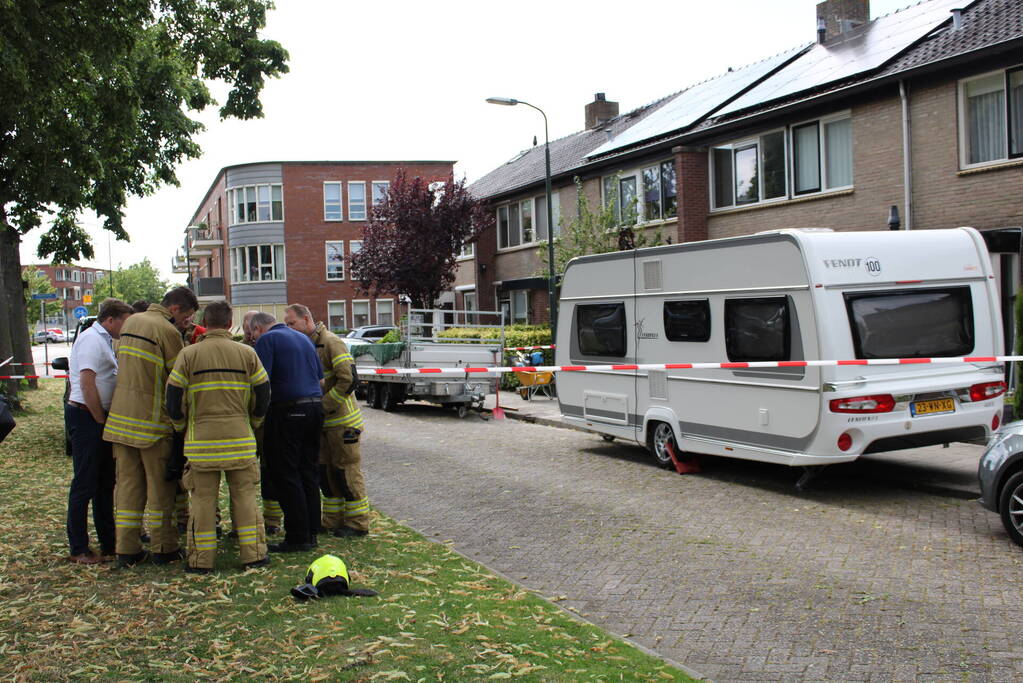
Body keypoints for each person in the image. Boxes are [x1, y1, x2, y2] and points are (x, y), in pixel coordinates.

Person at [166, 300, 271, 573]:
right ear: (229, 324)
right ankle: (254, 555)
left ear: (205, 322)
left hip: (201, 443)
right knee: (245, 498)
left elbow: (173, 397)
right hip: (240, 440)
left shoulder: (188, 355)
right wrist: (254, 422)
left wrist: (181, 426)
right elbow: (263, 393)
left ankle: (201, 561)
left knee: (202, 501)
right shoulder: (247, 353)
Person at [103, 286, 197, 567]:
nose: (187, 322)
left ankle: (127, 549)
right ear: (175, 309)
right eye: (187, 316)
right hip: (152, 425)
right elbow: (178, 381)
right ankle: (164, 547)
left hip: (121, 422)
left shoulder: (131, 322)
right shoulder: (167, 332)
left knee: (128, 488)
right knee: (160, 489)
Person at [283, 303, 369, 537]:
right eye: (286, 325)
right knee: (326, 474)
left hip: (342, 423)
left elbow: (348, 379)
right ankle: (332, 520)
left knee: (346, 472)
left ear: (307, 319)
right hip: (321, 424)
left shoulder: (331, 342)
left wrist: (322, 407)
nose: (289, 328)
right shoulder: (305, 344)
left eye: (292, 323)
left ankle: (358, 523)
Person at [65, 298, 134, 564]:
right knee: (85, 483)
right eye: (125, 322)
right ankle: (79, 548)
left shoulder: (105, 340)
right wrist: (99, 420)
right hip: (87, 416)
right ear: (110, 320)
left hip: (96, 416)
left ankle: (109, 542)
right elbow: (87, 383)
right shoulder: (92, 340)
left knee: (105, 483)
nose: (127, 328)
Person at [250, 311, 324, 552]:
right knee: (308, 471)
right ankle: (312, 531)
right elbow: (321, 380)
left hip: (288, 410)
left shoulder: (267, 340)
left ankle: (297, 536)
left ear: (258, 329)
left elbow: (262, 382)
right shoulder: (304, 339)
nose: (252, 339)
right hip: (315, 408)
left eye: (252, 334)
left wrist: (255, 414)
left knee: (286, 472)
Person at [243, 310, 282, 534]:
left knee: (269, 471)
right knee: (243, 476)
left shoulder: (267, 345)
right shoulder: (241, 349)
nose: (251, 336)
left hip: (266, 422)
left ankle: (272, 520)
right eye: (247, 331)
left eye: (253, 331)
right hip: (246, 422)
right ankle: (242, 522)